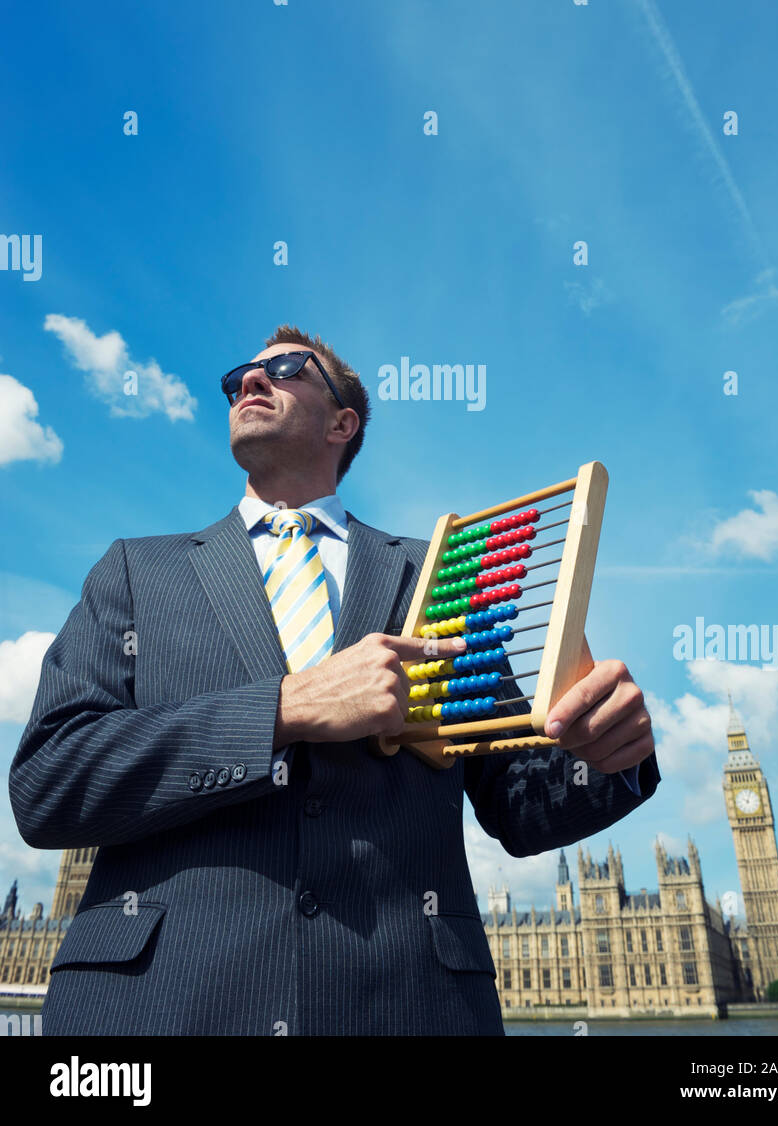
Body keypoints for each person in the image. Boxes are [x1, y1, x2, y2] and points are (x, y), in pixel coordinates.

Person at [9, 325, 660, 1036]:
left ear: (342, 423)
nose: (248, 383)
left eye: (283, 369)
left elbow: (520, 806)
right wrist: (282, 709)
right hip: (161, 1009)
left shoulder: (440, 572)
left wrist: (608, 755)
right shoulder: (137, 571)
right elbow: (49, 783)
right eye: (237, 379)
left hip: (408, 1007)